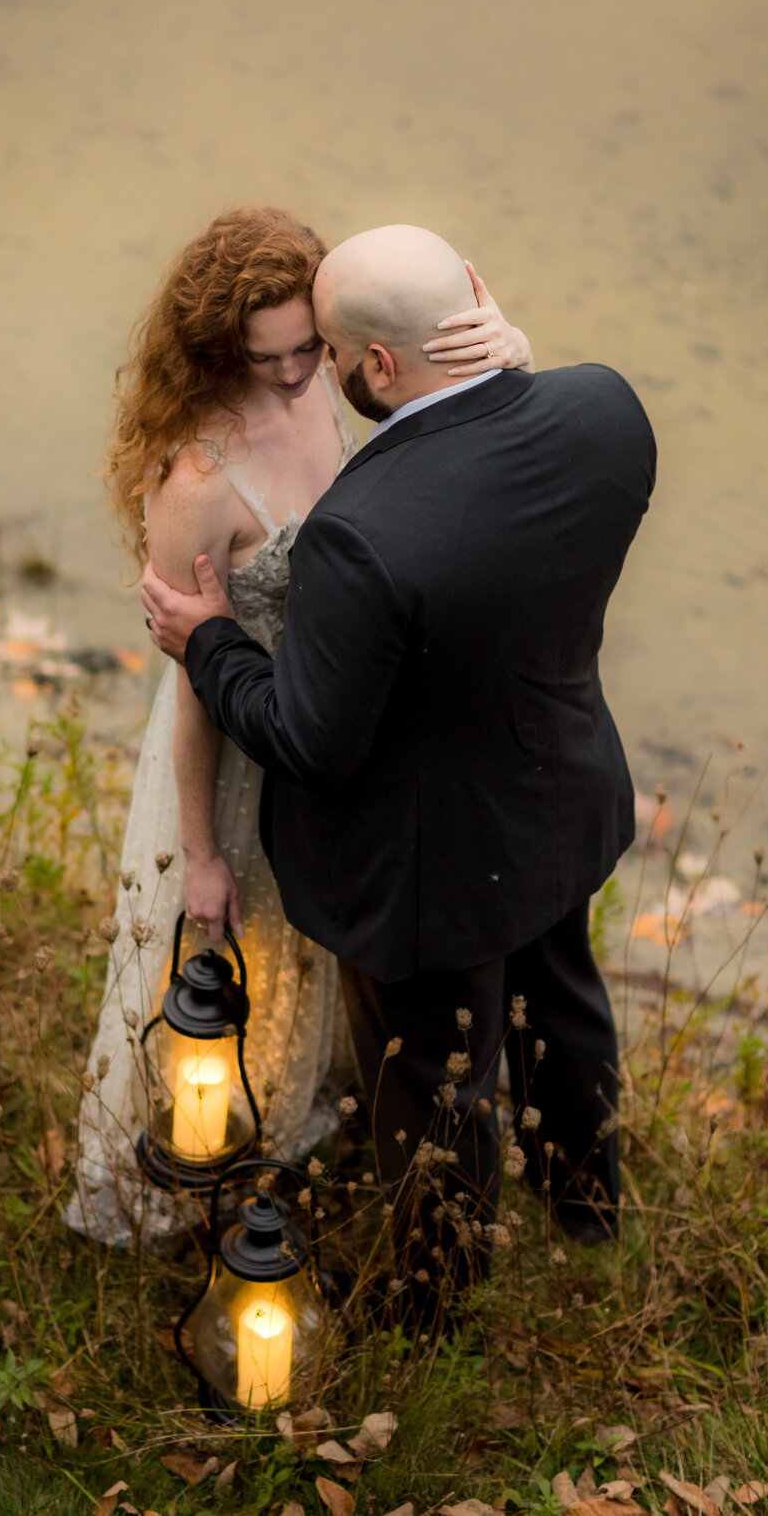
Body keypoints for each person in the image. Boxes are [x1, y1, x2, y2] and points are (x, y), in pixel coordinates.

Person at [141, 224, 656, 1287]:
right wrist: (513, 347)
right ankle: (587, 1204)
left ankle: (431, 1295)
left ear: (376, 365)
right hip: (560, 797)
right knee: (562, 1001)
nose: (314, 372)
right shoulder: (606, 409)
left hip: (434, 862)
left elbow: (307, 742)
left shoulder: (363, 529)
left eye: (327, 351)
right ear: (474, 300)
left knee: (436, 1080)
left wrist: (210, 640)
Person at [67, 207, 531, 1246]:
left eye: (308, 350)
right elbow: (193, 681)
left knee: (317, 950)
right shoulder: (194, 478)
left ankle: (292, 1125)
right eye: (266, 357)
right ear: (219, 348)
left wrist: (511, 355)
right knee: (236, 951)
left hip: (335, 727)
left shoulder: (330, 375)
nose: (294, 376)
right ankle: (197, 1173)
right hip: (235, 753)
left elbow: (434, 429)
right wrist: (199, 852)